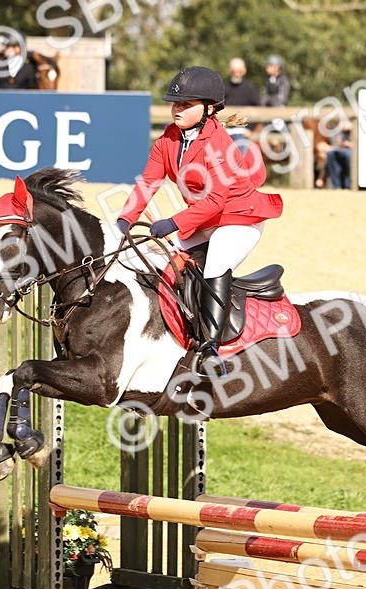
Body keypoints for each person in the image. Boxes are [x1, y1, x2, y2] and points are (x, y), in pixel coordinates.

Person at [116, 66, 283, 376]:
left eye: (185, 105)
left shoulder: (219, 144)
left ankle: (211, 348)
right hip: (205, 217)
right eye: (175, 104)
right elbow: (148, 183)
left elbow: (216, 201)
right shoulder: (168, 138)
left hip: (239, 218)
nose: (177, 109)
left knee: (216, 264)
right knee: (152, 254)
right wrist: (125, 220)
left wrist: (173, 222)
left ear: (208, 109)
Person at [222, 58, 259, 151]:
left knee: (240, 160)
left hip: (242, 132)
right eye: (234, 71)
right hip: (226, 131)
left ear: (244, 71)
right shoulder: (225, 88)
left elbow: (258, 109)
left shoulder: (249, 89)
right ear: (230, 71)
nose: (237, 73)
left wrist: (250, 129)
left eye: (239, 71)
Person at [325, 119, 353, 189]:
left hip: (353, 150)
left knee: (347, 155)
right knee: (330, 154)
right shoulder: (338, 128)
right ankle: (337, 186)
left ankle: (348, 185)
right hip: (341, 149)